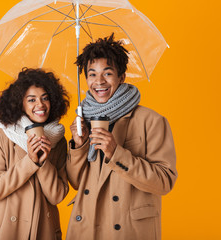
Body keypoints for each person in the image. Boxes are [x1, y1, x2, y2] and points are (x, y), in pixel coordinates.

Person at [66, 34, 178, 240]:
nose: (99, 81)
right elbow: (75, 183)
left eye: (107, 73)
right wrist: (79, 146)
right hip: (86, 229)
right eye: (92, 74)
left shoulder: (151, 120)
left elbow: (164, 182)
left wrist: (115, 153)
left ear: (121, 77)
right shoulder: (83, 122)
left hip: (128, 230)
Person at [0, 68, 69, 240]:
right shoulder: (3, 134)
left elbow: (57, 195)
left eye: (45, 98)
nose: (40, 105)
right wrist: (30, 161)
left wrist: (43, 163)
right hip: (4, 231)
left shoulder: (59, 140)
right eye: (31, 99)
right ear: (20, 103)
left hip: (43, 231)